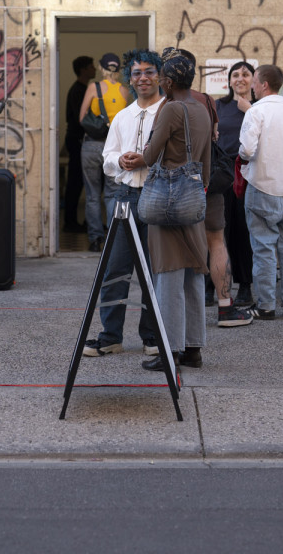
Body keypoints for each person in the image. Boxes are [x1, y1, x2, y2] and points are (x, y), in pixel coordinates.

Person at [81, 49, 165, 357]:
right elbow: (107, 157)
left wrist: (147, 160)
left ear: (159, 76)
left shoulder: (169, 112)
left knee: (154, 272)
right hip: (126, 196)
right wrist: (121, 161)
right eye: (137, 73)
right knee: (115, 269)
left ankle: (152, 337)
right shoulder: (122, 116)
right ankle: (110, 336)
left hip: (158, 198)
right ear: (130, 78)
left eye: (149, 72)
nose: (143, 78)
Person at [135, 51, 212, 371]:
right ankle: (193, 349)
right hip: (192, 200)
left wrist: (139, 154)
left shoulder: (170, 109)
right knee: (193, 275)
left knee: (168, 278)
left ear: (167, 82)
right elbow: (206, 162)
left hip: (167, 201)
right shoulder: (202, 109)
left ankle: (170, 352)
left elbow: (151, 155)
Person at [240, 64, 283, 320]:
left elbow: (247, 150)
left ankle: (266, 305)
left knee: (264, 249)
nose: (252, 87)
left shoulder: (256, 112)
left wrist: (242, 159)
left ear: (264, 84)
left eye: (254, 82)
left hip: (262, 187)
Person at [168, 49, 228, 312]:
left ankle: (186, 311)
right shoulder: (207, 100)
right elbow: (214, 137)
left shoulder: (166, 102)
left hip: (175, 185)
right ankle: (225, 305)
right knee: (216, 242)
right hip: (207, 180)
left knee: (180, 245)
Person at [78, 52, 132, 251]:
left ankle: (95, 240)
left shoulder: (94, 87)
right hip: (115, 148)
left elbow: (82, 118)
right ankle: (112, 237)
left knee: (92, 195)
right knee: (112, 194)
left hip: (92, 145)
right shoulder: (124, 91)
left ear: (101, 67)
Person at [216, 61, 256, 307]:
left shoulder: (259, 107)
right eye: (235, 75)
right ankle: (214, 285)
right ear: (229, 80)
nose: (240, 78)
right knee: (218, 230)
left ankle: (244, 286)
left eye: (246, 74)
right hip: (221, 173)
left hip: (248, 174)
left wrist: (249, 109)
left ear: (254, 79)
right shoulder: (218, 105)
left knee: (243, 231)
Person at [63, 56, 94, 234]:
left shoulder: (82, 89)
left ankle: (79, 222)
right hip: (77, 141)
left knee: (79, 182)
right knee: (75, 182)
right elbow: (80, 118)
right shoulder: (78, 91)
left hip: (79, 140)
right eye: (91, 66)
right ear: (83, 70)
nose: (94, 69)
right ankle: (70, 222)